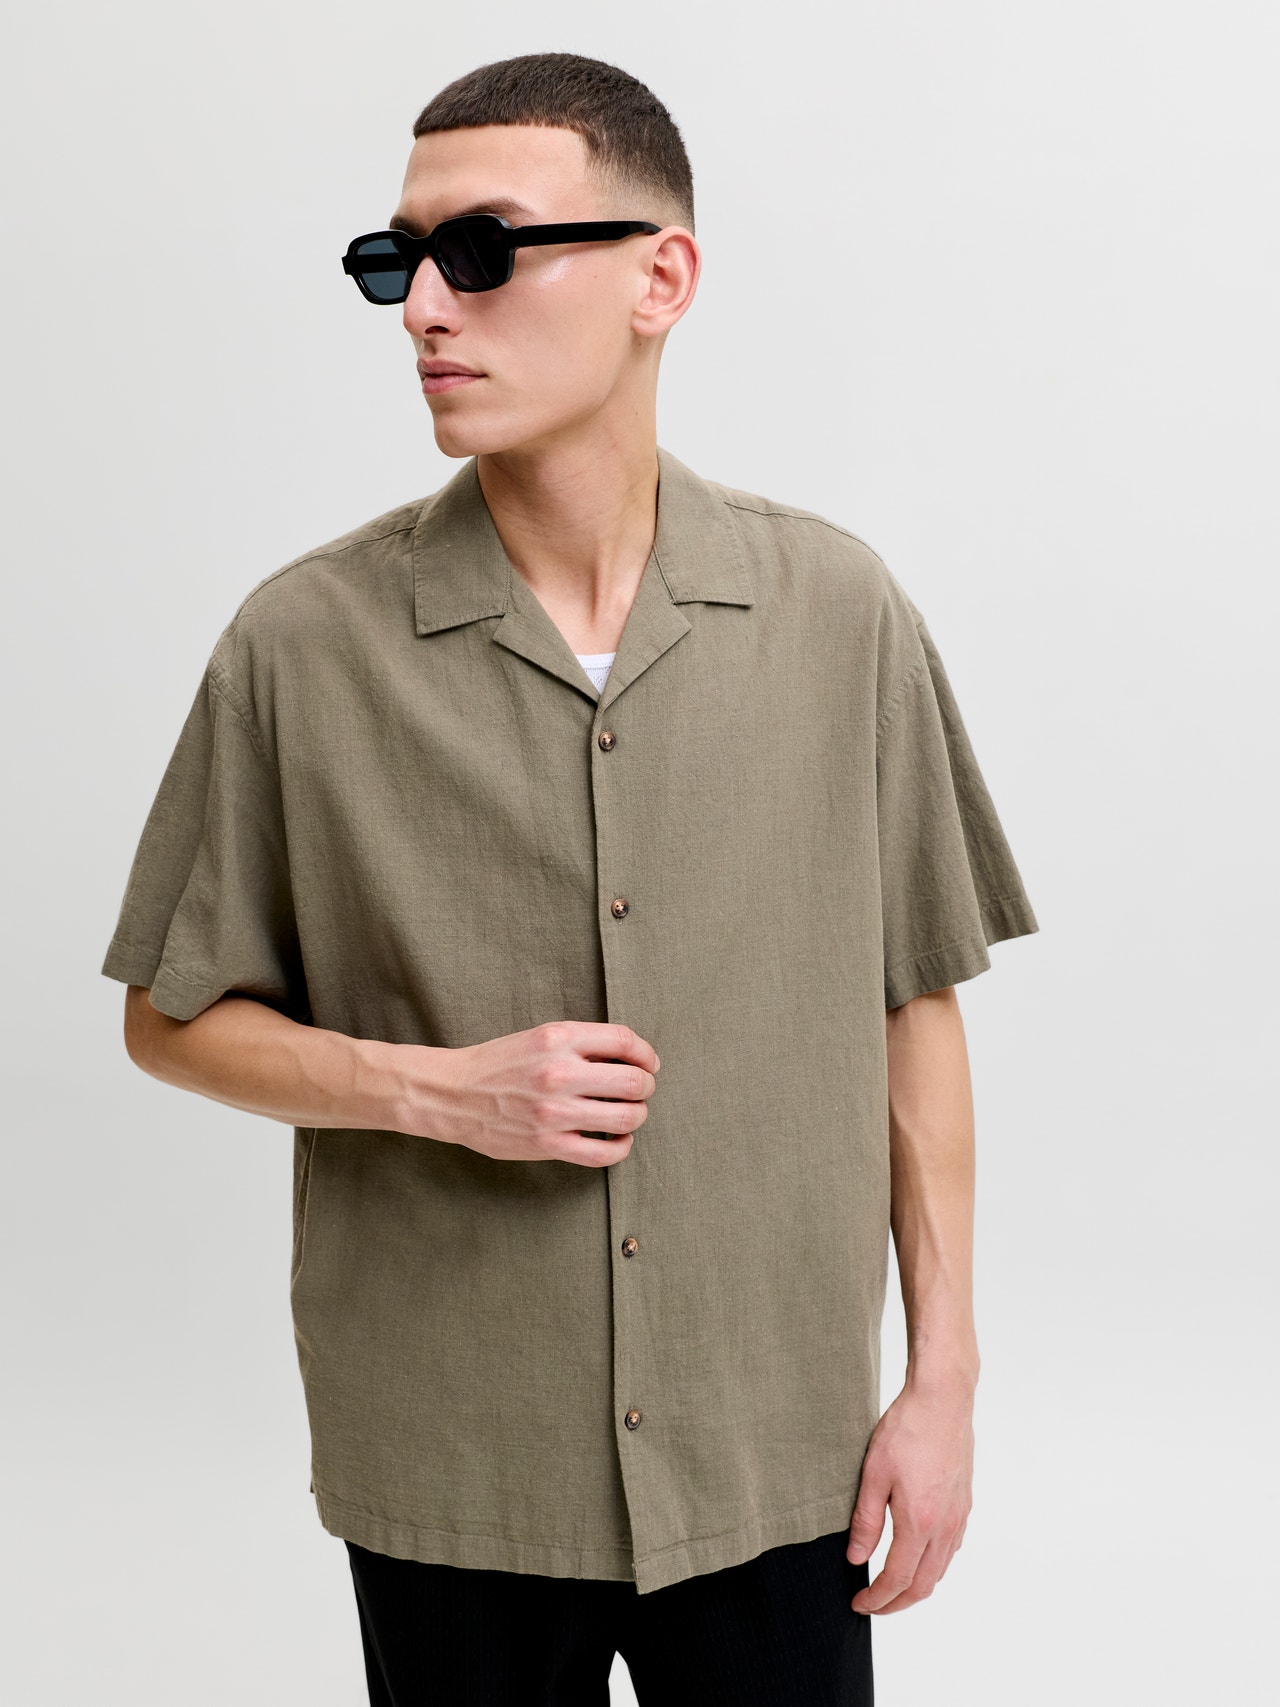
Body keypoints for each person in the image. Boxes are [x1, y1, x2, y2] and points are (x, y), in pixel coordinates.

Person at [102, 51, 1039, 1706]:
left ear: (659, 279)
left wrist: (942, 1380)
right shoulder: (302, 643)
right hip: (453, 1457)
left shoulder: (838, 613)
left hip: (776, 1457)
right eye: (399, 260)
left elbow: (911, 1004)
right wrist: (436, 1092)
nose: (423, 310)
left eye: (482, 251)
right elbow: (170, 1021)